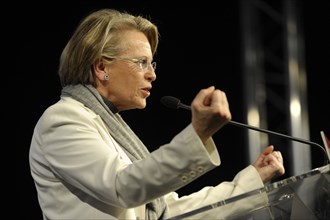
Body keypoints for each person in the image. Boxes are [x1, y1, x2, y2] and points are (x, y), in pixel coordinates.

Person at [29, 8, 285, 220]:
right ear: (101, 67)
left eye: (152, 63)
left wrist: (252, 180)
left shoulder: (112, 130)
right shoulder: (62, 119)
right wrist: (198, 133)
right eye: (141, 62)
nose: (152, 74)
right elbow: (123, 188)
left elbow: (169, 211)